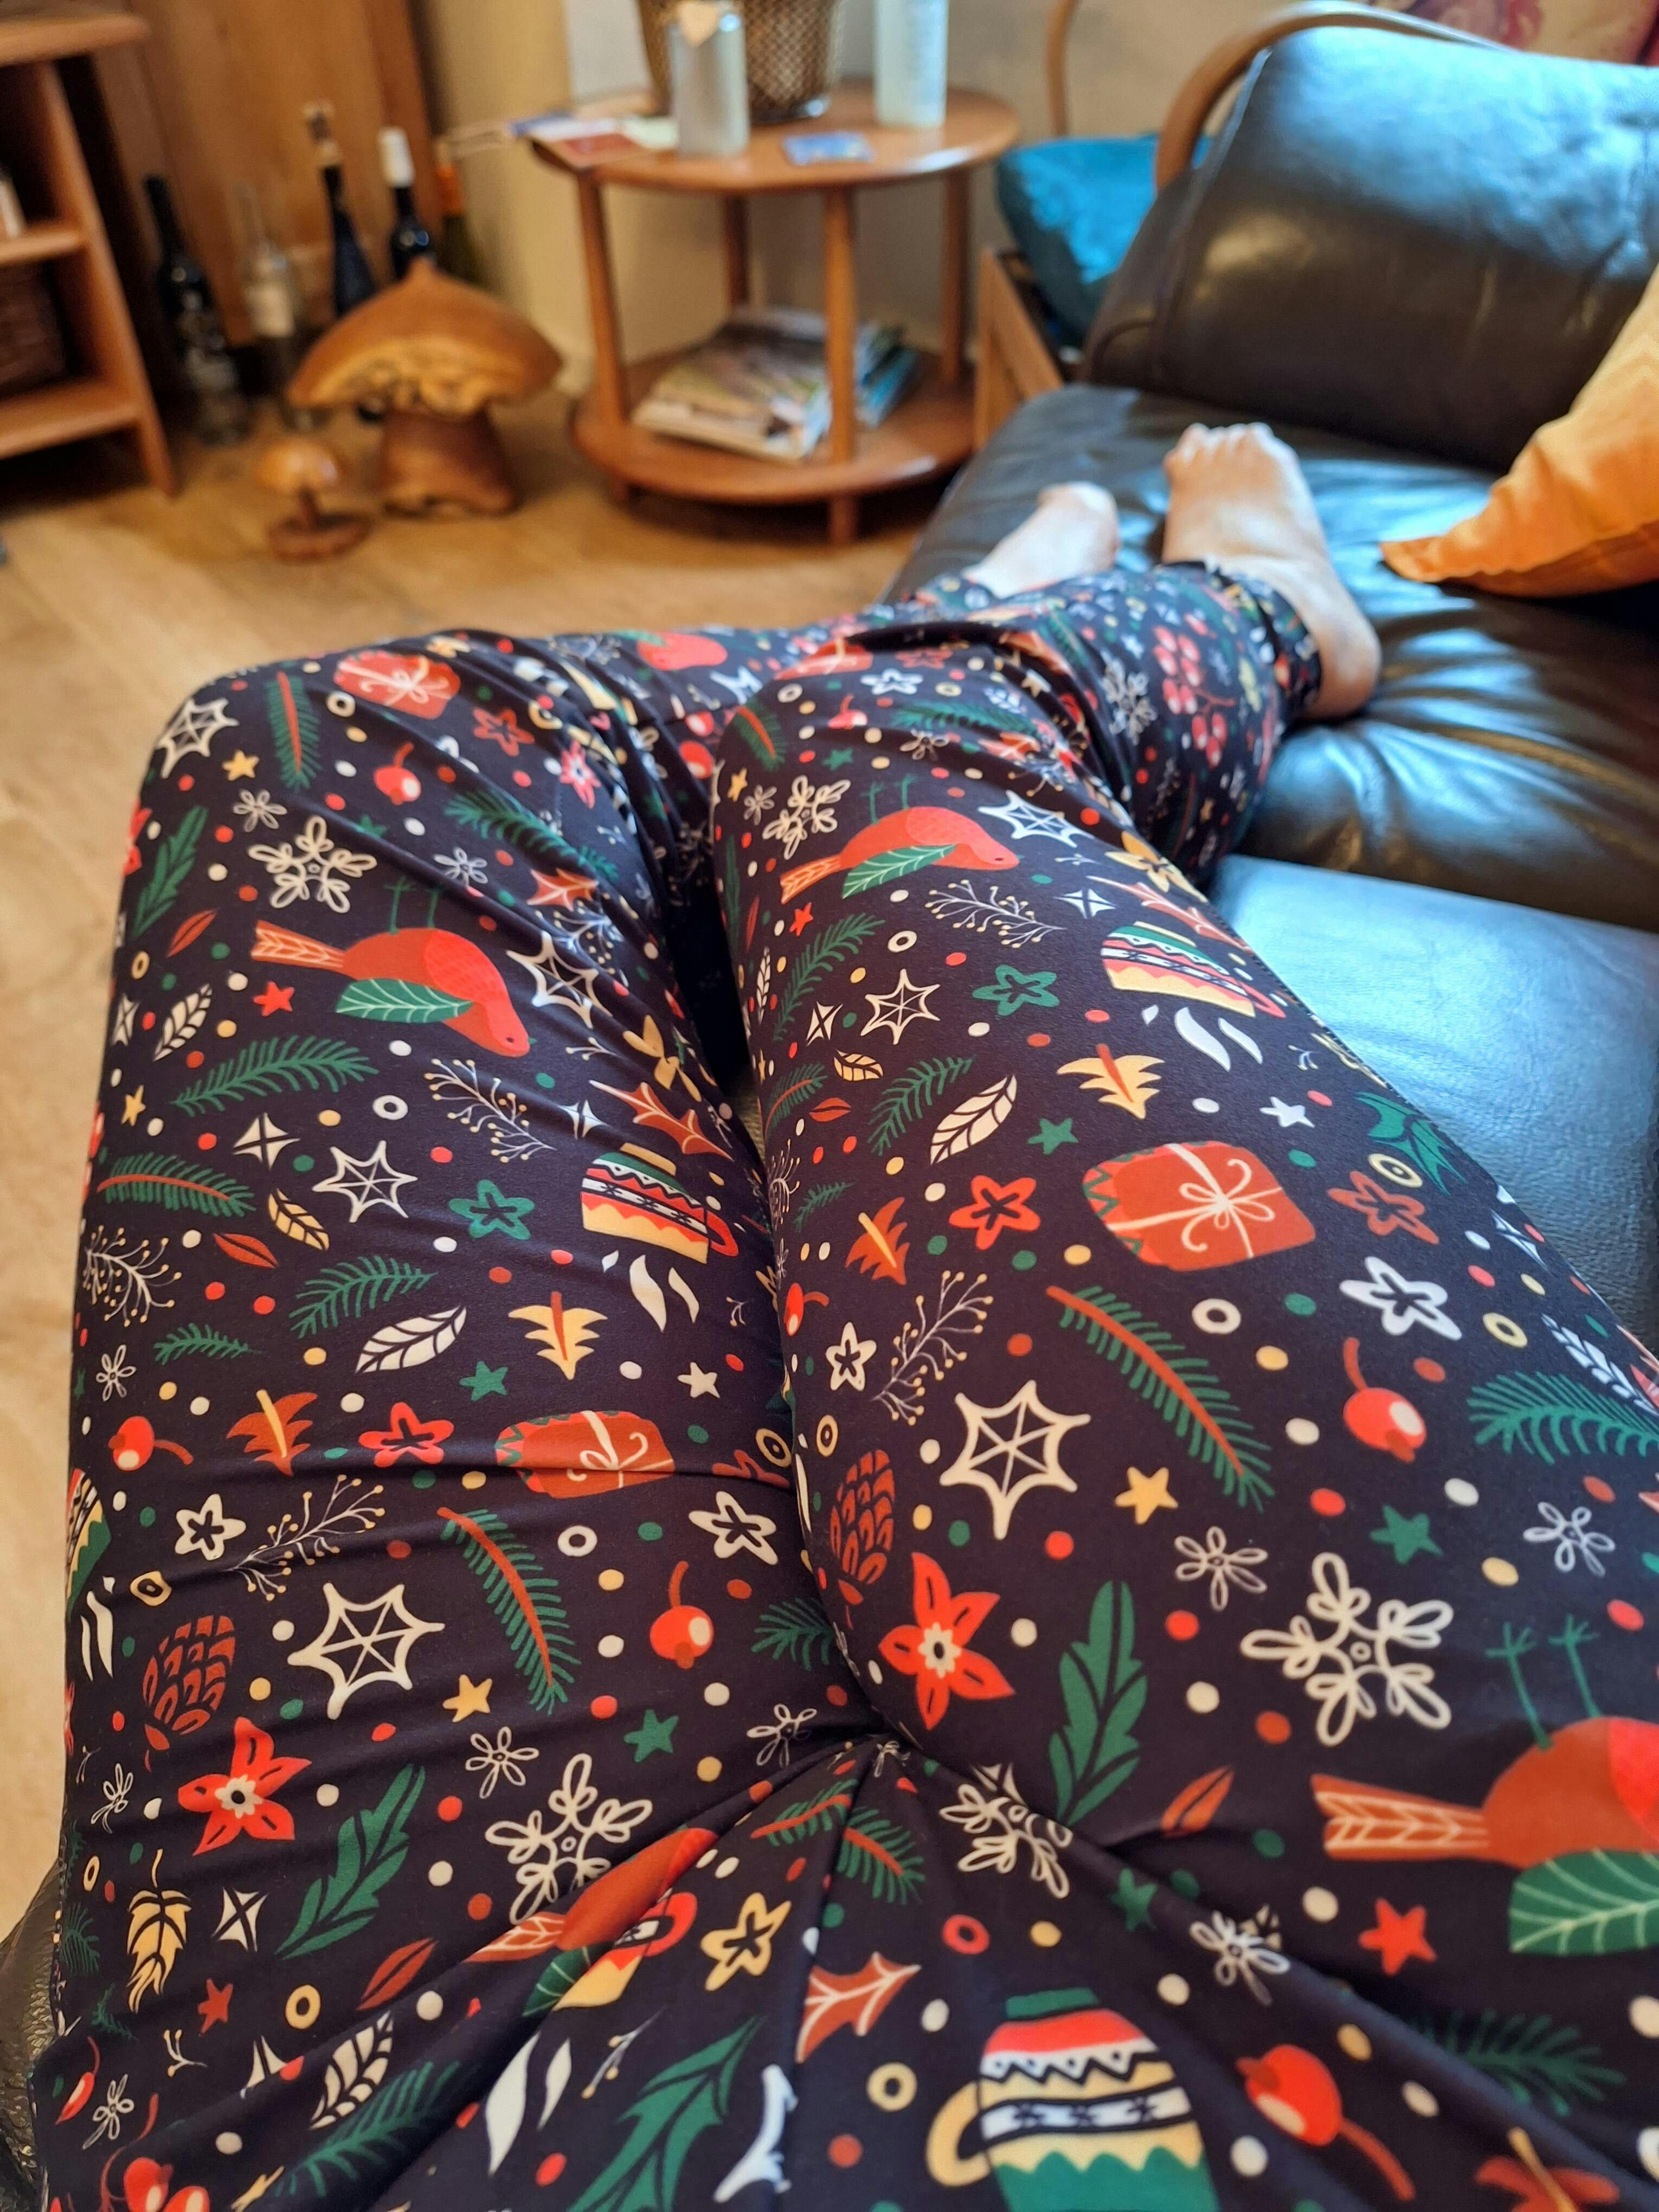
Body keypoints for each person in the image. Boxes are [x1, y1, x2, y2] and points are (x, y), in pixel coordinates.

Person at [41, 426, 1659, 2212]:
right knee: (758, 741)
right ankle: (1156, 619)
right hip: (1524, 2009)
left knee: (322, 751)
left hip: (372, 2111)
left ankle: (1077, 617)